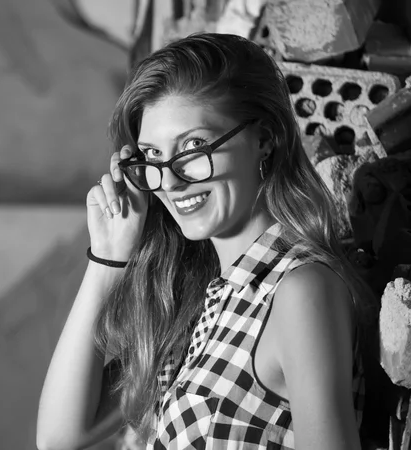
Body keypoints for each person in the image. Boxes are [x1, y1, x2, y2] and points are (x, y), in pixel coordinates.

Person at [37, 33, 373, 450]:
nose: (172, 181)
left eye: (194, 146)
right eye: (153, 158)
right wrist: (108, 257)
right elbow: (59, 436)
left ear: (265, 138)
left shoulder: (299, 291)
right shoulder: (193, 304)